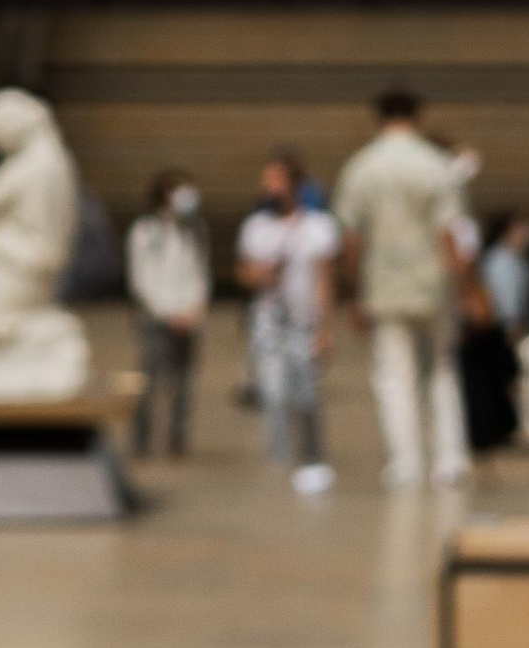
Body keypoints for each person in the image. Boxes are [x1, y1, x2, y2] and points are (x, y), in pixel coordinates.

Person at [334, 88, 468, 491]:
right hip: (434, 283)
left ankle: (406, 465)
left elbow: (352, 238)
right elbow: (448, 233)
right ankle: (450, 461)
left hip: (385, 285)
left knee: (395, 375)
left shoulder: (362, 166)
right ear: (418, 116)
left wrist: (353, 292)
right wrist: (465, 286)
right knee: (443, 369)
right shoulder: (436, 165)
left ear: (377, 117)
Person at [235, 153, 339, 494]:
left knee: (306, 392)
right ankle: (279, 458)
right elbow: (244, 272)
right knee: (274, 391)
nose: (269, 188)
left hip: (304, 321)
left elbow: (325, 280)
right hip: (268, 320)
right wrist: (260, 275)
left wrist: (325, 327)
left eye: (276, 180)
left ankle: (311, 456)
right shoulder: (255, 227)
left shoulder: (318, 227)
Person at [126, 172, 211, 460]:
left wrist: (194, 308)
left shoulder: (195, 230)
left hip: (188, 318)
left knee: (183, 384)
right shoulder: (144, 231)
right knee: (149, 380)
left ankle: (177, 441)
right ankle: (142, 440)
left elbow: (200, 273)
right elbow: (141, 279)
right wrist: (167, 312)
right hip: (157, 319)